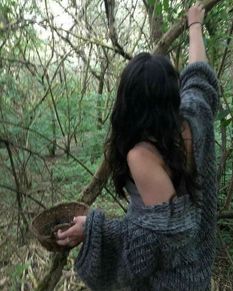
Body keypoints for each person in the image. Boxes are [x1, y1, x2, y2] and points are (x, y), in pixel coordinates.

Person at [56, 3, 219, 290]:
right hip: (198, 274)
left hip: (169, 283)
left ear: (128, 105)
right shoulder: (195, 115)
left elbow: (167, 238)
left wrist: (94, 229)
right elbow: (200, 74)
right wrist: (195, 25)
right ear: (173, 94)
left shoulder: (142, 155)